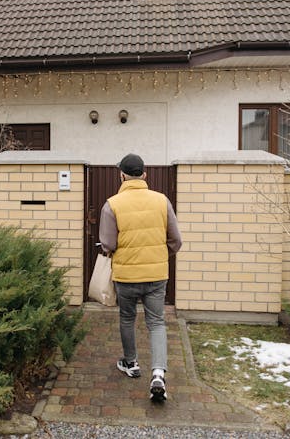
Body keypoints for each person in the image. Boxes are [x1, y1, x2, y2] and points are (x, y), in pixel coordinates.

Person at [99, 153, 182, 402]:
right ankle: (158, 372)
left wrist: (110, 250)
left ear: (121, 175)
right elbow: (176, 240)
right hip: (157, 275)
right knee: (156, 322)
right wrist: (159, 254)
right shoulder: (162, 201)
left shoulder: (111, 204)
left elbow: (108, 243)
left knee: (127, 318)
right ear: (144, 175)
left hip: (126, 275)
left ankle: (131, 363)